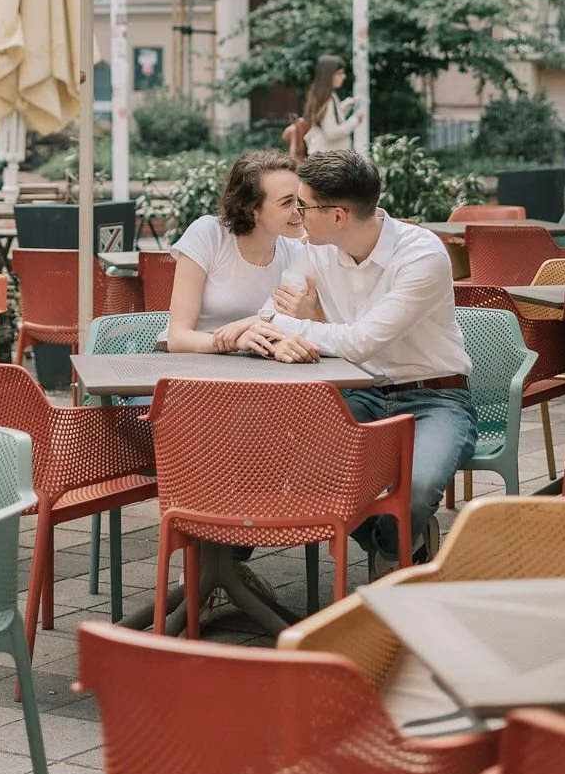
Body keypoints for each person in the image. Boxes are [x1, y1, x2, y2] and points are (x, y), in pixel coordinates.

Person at [246, 148, 478, 573]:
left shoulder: (421, 255)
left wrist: (300, 324)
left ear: (337, 216)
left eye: (304, 205)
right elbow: (267, 316)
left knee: (418, 486)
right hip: (357, 394)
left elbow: (360, 342)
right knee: (306, 471)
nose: (297, 215)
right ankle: (403, 545)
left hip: (435, 398)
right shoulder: (311, 251)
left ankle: (392, 550)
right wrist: (285, 326)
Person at [166, 149, 306, 353]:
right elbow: (178, 339)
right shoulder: (208, 235)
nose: (299, 210)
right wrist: (235, 341)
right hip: (193, 368)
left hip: (260, 370)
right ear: (251, 210)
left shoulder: (296, 253)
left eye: (300, 200)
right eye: (287, 202)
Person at [302, 54, 364, 154]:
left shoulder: (323, 95)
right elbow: (331, 133)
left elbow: (330, 119)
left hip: (323, 156)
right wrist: (355, 120)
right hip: (328, 159)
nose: (343, 76)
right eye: (339, 73)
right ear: (329, 75)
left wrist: (345, 106)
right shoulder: (327, 99)